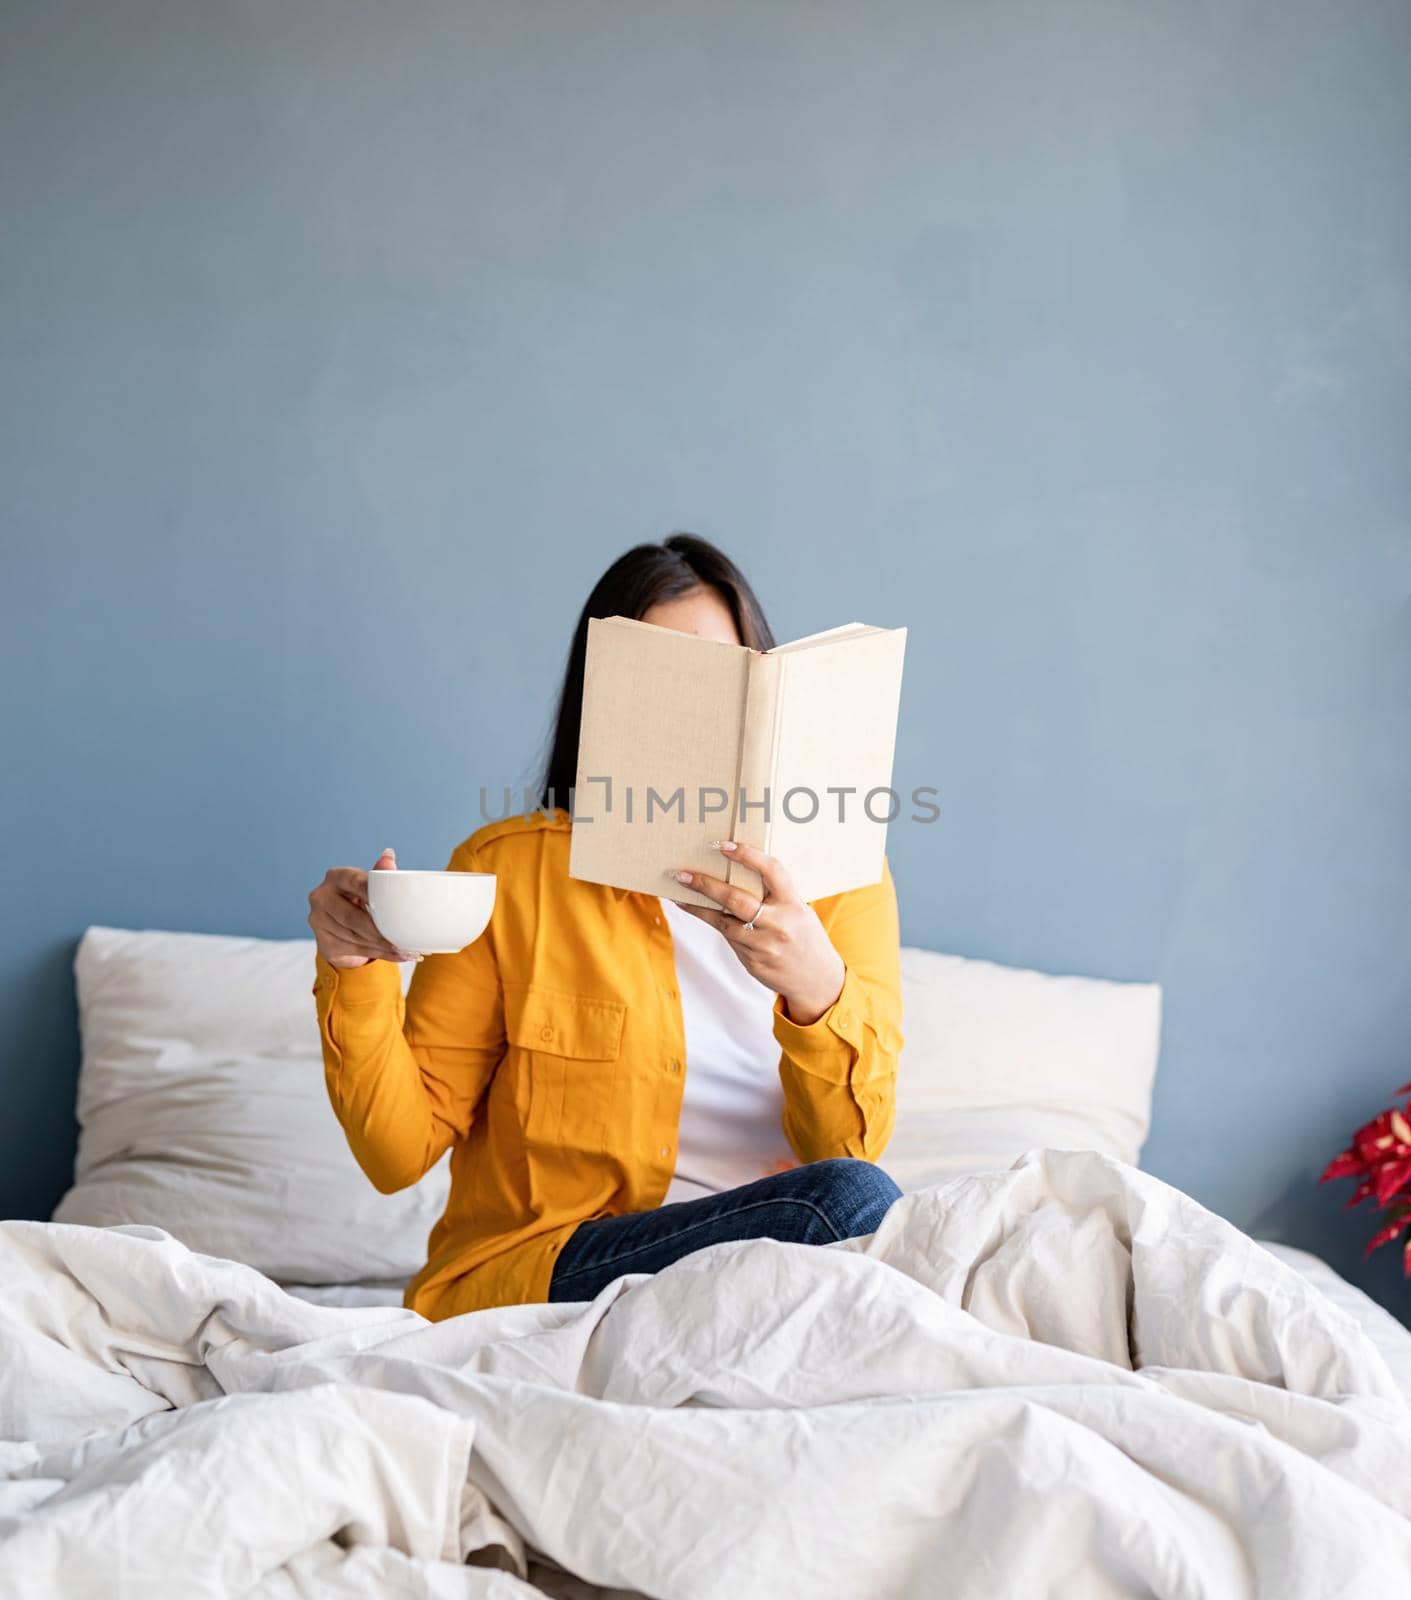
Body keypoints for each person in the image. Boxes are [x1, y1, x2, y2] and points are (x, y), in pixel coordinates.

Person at [307, 534, 904, 1319]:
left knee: (895, 1222)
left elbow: (848, 1145)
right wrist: (353, 967)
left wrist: (813, 989)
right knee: (849, 1206)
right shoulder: (509, 870)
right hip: (555, 1271)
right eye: (664, 675)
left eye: (723, 676)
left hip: (765, 1273)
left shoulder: (840, 879)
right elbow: (396, 1153)